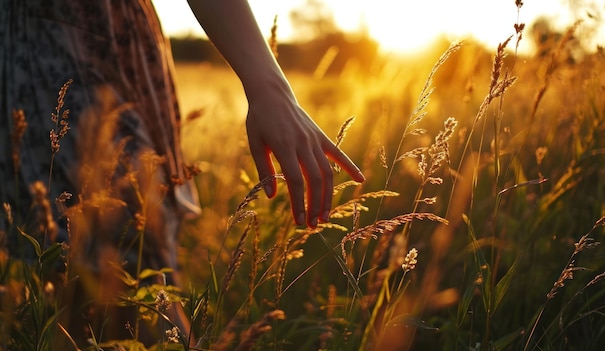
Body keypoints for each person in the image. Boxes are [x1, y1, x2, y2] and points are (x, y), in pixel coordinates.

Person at [0, 0, 364, 346]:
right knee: (100, 272)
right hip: (47, 48)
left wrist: (270, 88)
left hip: (120, 43)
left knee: (131, 274)